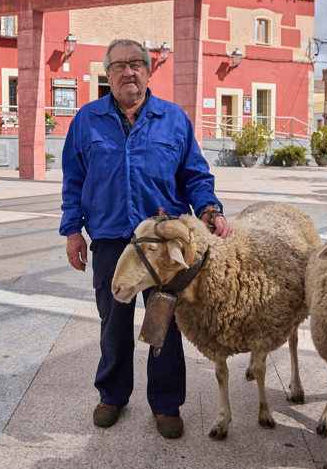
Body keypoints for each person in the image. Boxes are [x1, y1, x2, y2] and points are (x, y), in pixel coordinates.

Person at [60, 38, 232, 439]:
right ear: (108, 75)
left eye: (136, 63)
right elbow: (74, 180)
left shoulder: (172, 119)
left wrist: (209, 209)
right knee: (114, 323)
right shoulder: (87, 120)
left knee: (165, 323)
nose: (128, 71)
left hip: (163, 244)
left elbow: (195, 175)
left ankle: (166, 403)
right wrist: (72, 230)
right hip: (111, 241)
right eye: (119, 65)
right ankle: (113, 395)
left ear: (149, 71)